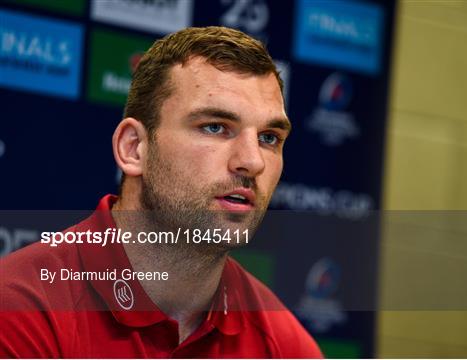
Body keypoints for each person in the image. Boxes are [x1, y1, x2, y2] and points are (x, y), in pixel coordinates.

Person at [0, 26, 323, 358]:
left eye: (269, 137)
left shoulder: (285, 346)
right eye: (215, 127)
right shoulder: (19, 310)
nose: (252, 161)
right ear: (134, 148)